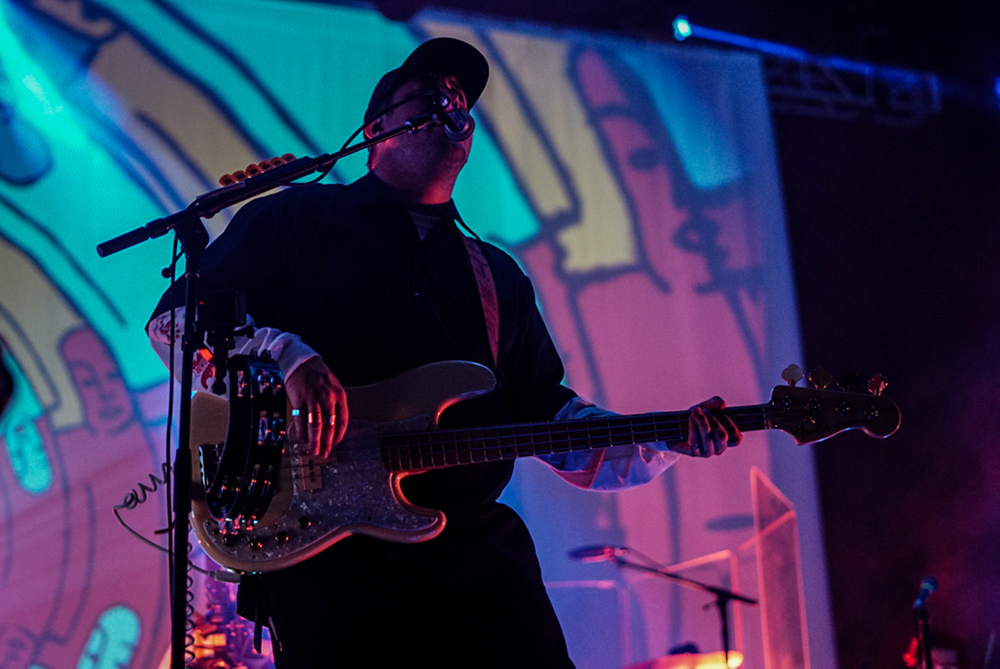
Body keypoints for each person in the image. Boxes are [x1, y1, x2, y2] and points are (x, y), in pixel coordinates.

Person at [148, 38, 741, 668]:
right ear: (376, 129)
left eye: (460, 100)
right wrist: (286, 355)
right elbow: (177, 323)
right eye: (430, 94)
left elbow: (548, 416)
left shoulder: (495, 275)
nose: (452, 102)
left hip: (475, 565)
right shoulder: (299, 217)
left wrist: (667, 438)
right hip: (324, 556)